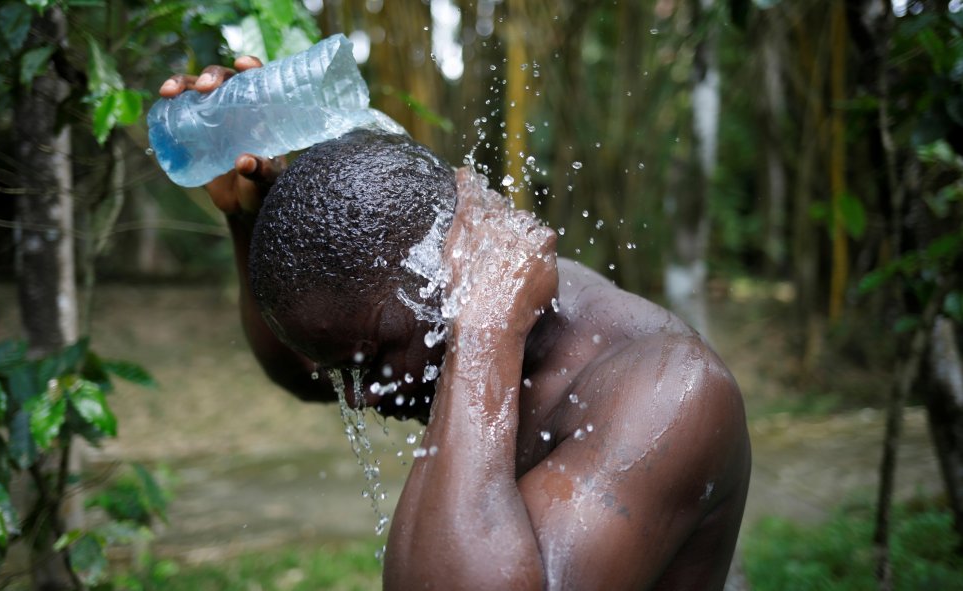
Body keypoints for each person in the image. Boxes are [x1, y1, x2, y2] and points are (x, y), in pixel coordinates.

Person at [159, 57, 750, 591]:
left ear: (452, 287)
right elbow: (302, 370)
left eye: (371, 363)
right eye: (346, 371)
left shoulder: (670, 391)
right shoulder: (427, 321)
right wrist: (246, 217)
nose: (359, 395)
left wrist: (486, 330)